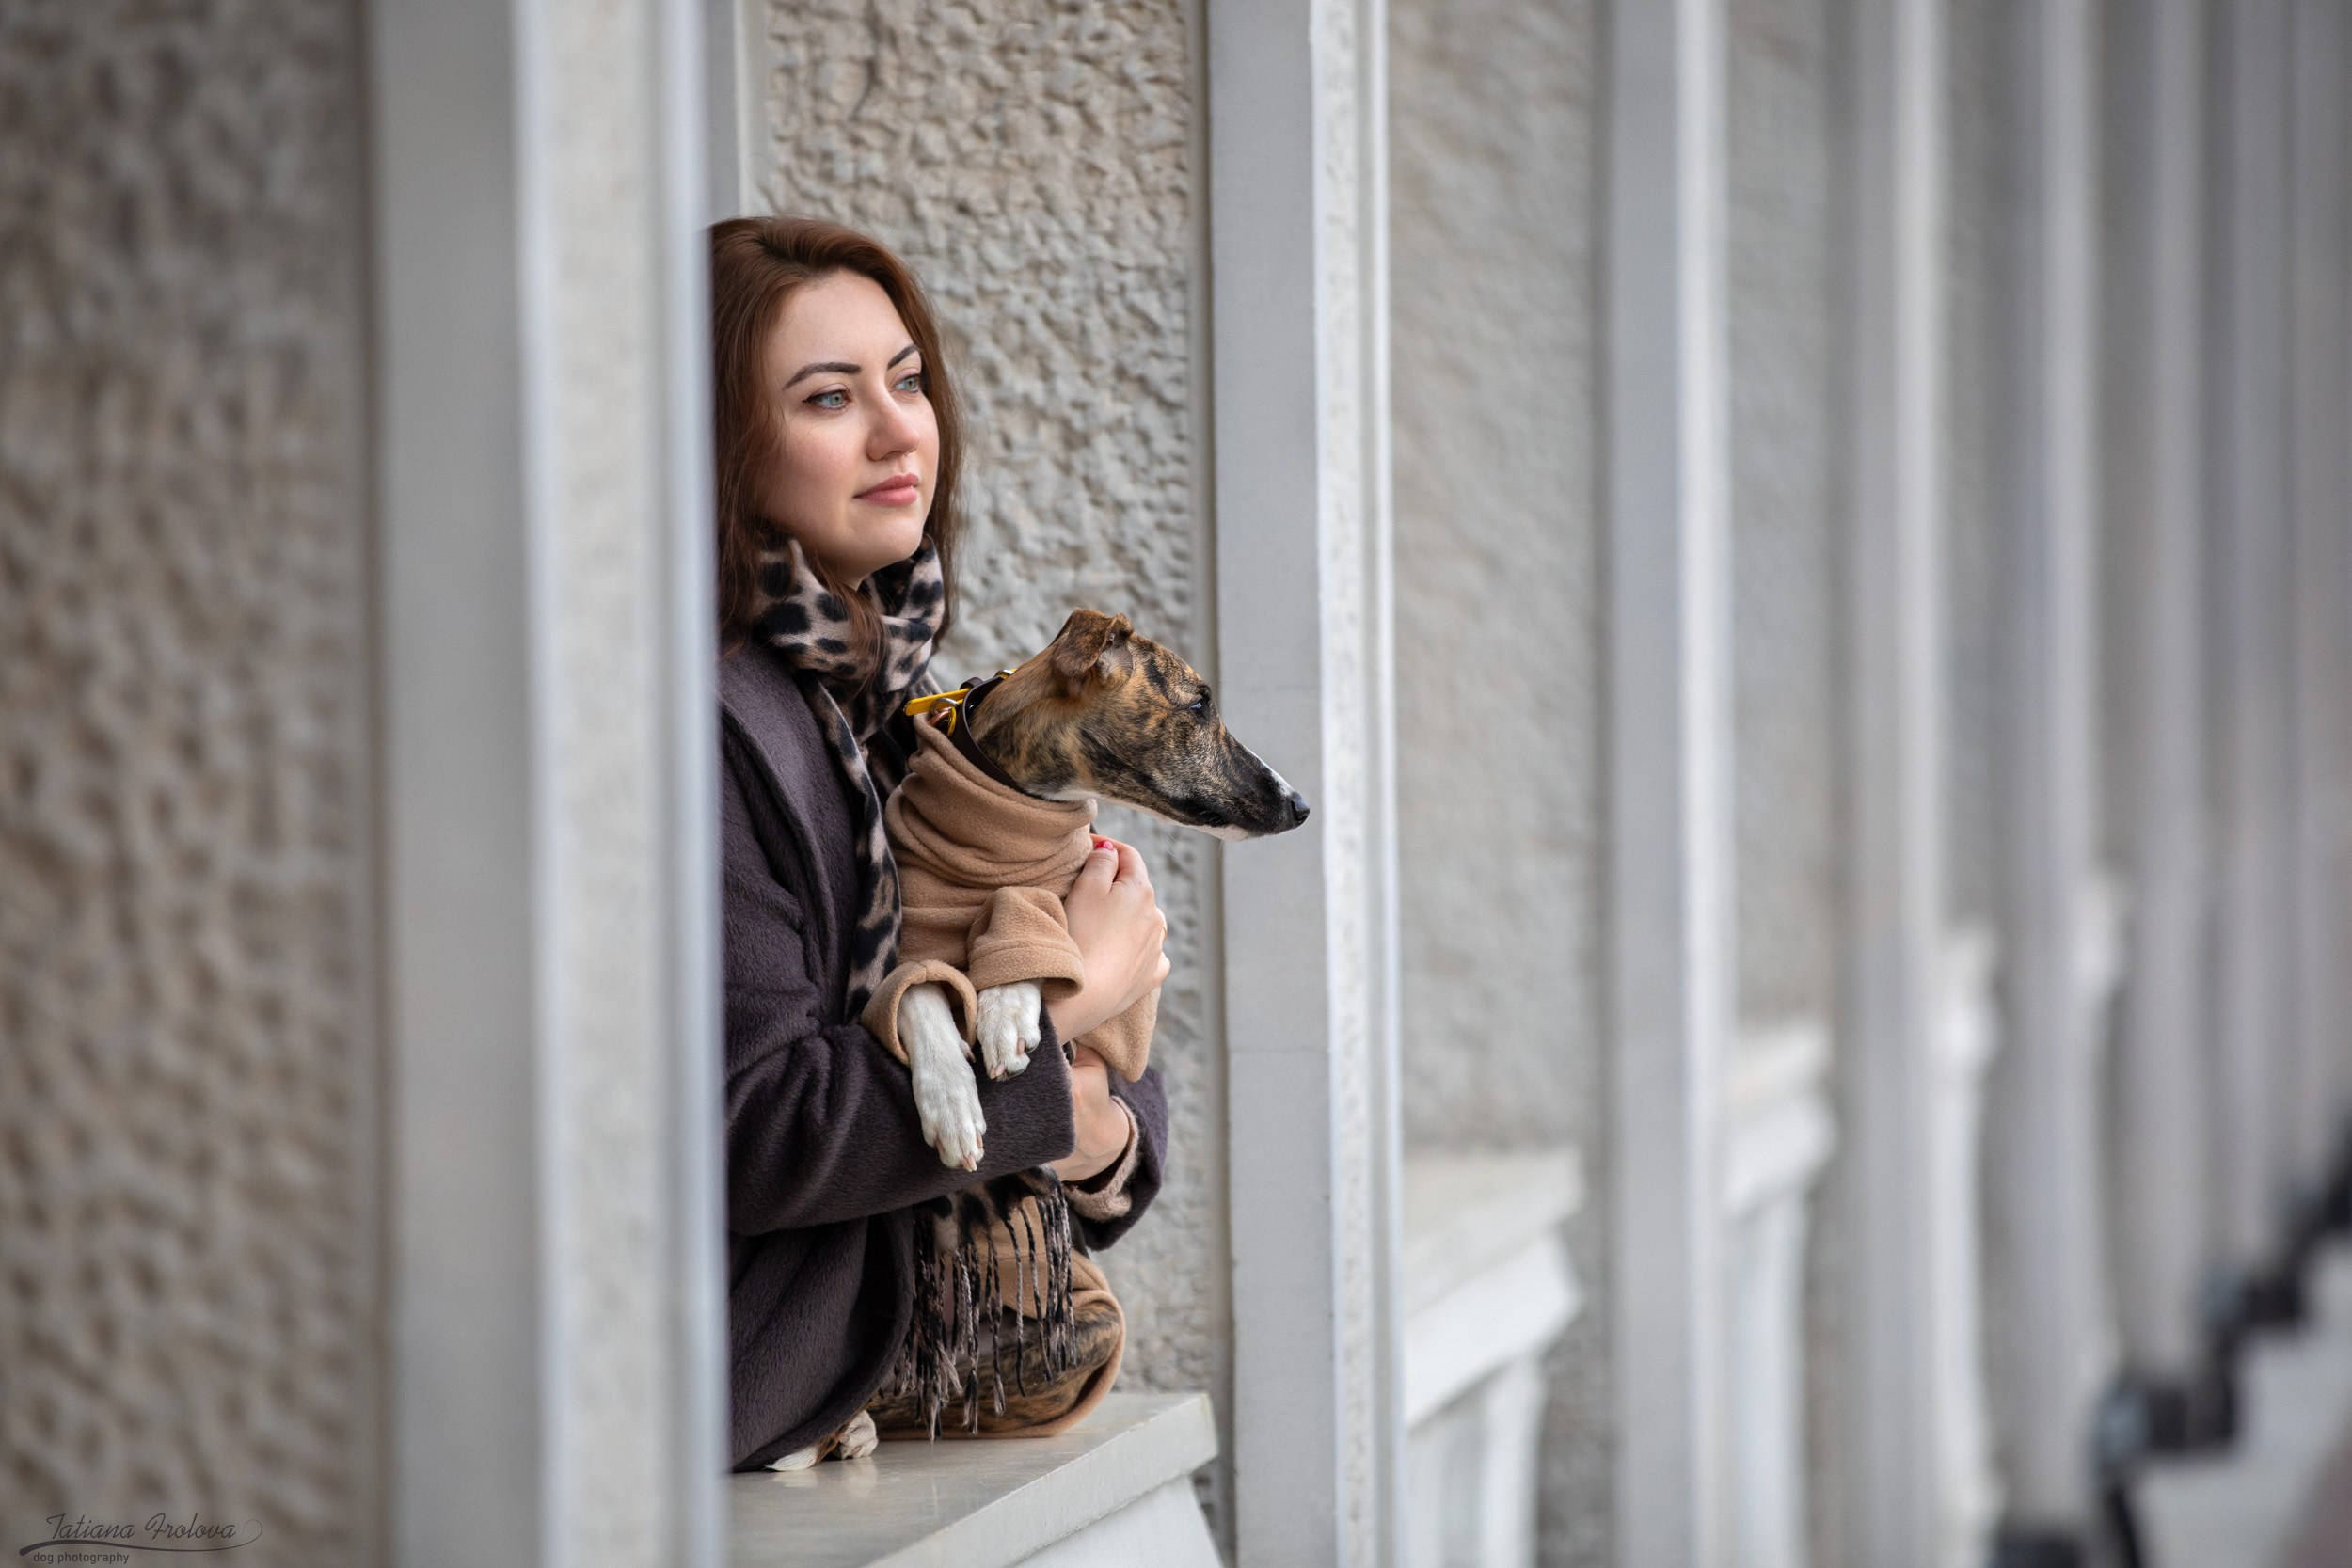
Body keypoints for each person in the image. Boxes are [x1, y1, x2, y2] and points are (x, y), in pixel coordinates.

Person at [711, 215, 1172, 1472]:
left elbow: (1120, 1124)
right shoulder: (705, 721)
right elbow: (752, 1128)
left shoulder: (898, 697)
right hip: (749, 1383)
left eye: (906, 381)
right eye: (828, 398)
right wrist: (1068, 1008)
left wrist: (1087, 1104)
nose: (897, 430)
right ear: (717, 442)